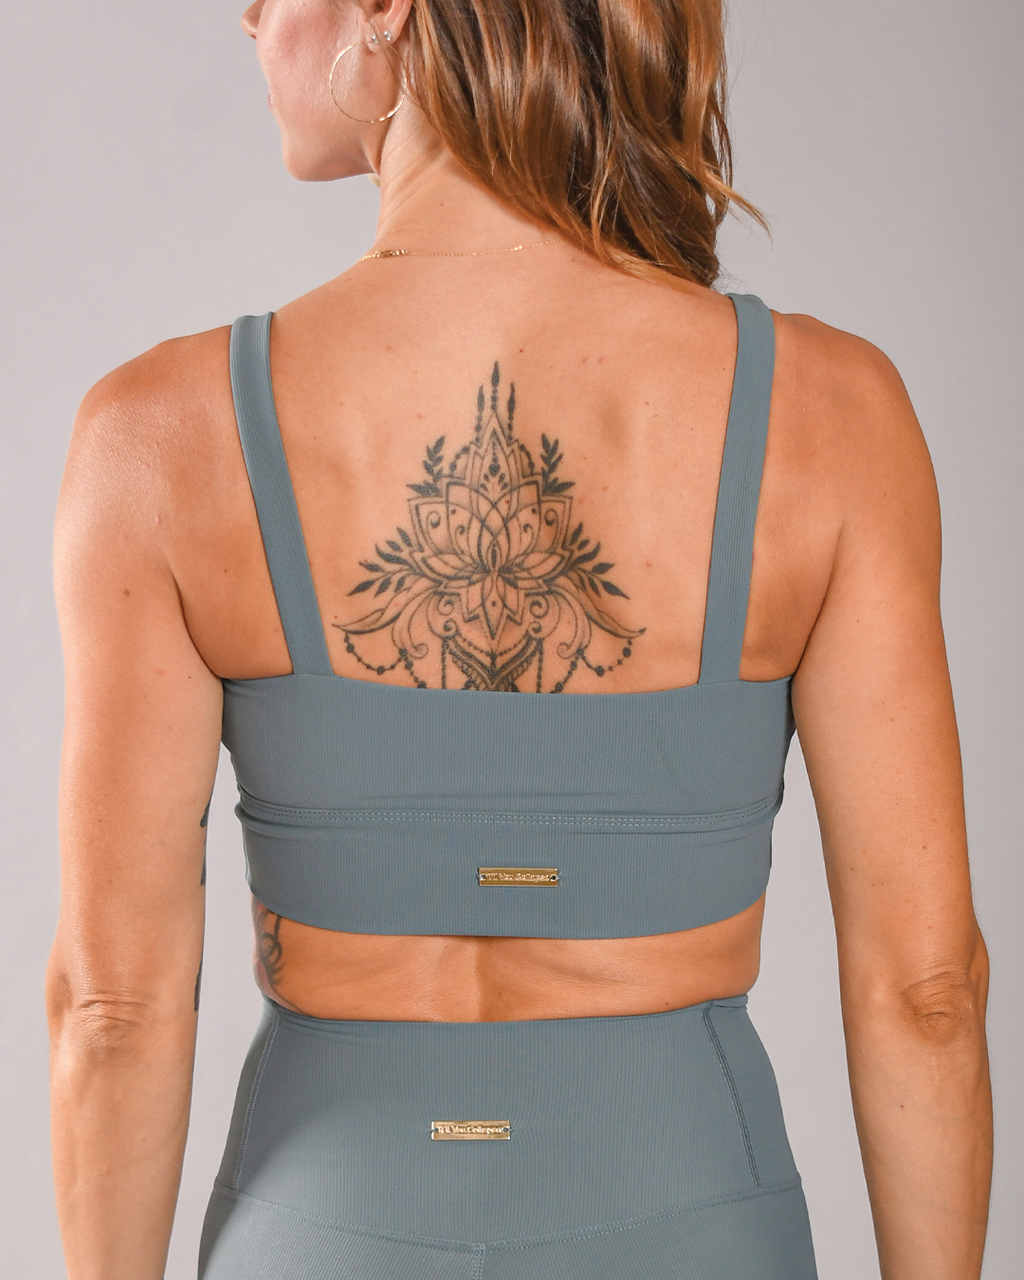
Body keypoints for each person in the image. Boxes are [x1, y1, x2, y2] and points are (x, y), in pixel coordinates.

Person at [46, 1, 992, 1277]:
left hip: (319, 1232)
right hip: (693, 1224)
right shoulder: (834, 417)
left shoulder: (158, 438)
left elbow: (113, 1010)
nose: (252, 14)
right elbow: (926, 993)